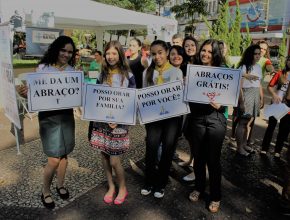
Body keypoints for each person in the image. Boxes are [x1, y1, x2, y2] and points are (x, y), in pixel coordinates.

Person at [18, 36, 77, 209]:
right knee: (53, 158)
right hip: (49, 118)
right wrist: (25, 93)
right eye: (63, 50)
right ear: (56, 49)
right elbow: (33, 94)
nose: (66, 54)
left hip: (66, 116)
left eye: (69, 52)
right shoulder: (42, 69)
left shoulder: (72, 71)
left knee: (64, 154)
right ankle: (46, 191)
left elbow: (77, 96)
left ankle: (60, 185)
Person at [89, 40, 136, 205]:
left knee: (115, 160)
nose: (110, 56)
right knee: (104, 156)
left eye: (114, 53)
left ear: (120, 55)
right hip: (102, 122)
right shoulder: (102, 74)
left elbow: (132, 101)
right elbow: (96, 96)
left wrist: (119, 120)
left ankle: (122, 187)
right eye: (108, 53)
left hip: (120, 124)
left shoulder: (128, 75)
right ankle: (111, 186)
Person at [186, 39, 227, 213]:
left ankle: (216, 196)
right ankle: (200, 188)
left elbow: (231, 98)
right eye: (204, 50)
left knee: (213, 159)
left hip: (215, 118)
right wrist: (184, 84)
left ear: (216, 54)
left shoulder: (223, 72)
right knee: (198, 157)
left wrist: (222, 104)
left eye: (210, 52)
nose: (205, 54)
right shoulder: (193, 68)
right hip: (196, 118)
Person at [141, 40, 183, 199]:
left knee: (167, 150)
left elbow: (178, 96)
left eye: (160, 52)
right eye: (154, 53)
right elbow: (144, 95)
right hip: (153, 117)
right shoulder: (147, 72)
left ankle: (161, 183)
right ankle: (149, 181)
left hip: (171, 118)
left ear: (166, 52)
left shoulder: (176, 72)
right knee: (151, 149)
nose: (157, 56)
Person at [236, 44, 264, 156]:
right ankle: (239, 147)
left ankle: (243, 144)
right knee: (242, 123)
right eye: (255, 54)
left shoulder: (258, 67)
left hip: (255, 94)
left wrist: (261, 98)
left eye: (259, 54)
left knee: (248, 122)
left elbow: (259, 83)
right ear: (250, 54)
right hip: (246, 95)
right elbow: (239, 86)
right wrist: (241, 102)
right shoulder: (243, 67)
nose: (257, 56)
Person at [261, 56, 290, 157]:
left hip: (288, 106)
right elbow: (269, 87)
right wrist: (274, 95)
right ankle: (264, 148)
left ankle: (277, 151)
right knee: (271, 126)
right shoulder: (279, 73)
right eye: (289, 60)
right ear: (287, 61)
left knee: (283, 129)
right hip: (276, 103)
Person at [180, 35, 199, 181]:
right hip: (185, 104)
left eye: (192, 45)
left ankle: (197, 171)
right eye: (187, 45)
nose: (190, 48)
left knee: (197, 137)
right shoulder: (182, 63)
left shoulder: (202, 62)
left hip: (198, 107)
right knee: (189, 135)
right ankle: (191, 160)